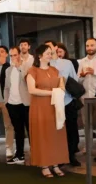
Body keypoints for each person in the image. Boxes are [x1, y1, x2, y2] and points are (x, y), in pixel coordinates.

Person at [26, 45, 69, 177]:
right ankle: (44, 165)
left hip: (55, 107)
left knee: (55, 135)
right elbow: (32, 90)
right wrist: (52, 93)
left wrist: (60, 89)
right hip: (40, 107)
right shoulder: (32, 71)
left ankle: (55, 164)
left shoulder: (55, 70)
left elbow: (61, 84)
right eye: (48, 53)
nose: (50, 56)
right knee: (43, 135)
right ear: (40, 56)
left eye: (51, 53)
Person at [46, 41, 80, 167]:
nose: (48, 49)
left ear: (55, 47)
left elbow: (74, 79)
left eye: (50, 46)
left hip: (68, 100)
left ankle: (71, 155)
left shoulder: (67, 63)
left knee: (72, 130)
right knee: (57, 131)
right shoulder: (45, 64)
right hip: (53, 102)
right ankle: (59, 157)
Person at [4, 46, 31, 165]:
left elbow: (26, 81)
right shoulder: (8, 70)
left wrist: (19, 67)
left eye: (15, 55)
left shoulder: (27, 66)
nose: (13, 57)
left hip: (25, 103)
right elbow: (6, 87)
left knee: (30, 130)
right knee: (18, 130)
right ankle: (19, 154)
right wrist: (6, 101)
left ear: (19, 55)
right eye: (11, 55)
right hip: (12, 104)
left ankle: (36, 154)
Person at [78, 38, 96, 132]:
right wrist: (82, 76)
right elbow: (78, 80)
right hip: (85, 97)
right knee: (87, 124)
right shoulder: (82, 61)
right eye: (87, 46)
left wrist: (94, 72)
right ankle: (88, 142)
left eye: (92, 45)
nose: (89, 48)